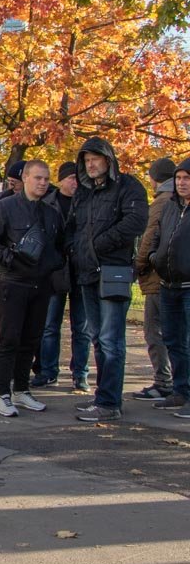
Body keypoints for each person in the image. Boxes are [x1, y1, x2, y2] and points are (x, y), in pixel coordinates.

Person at [69, 137, 148, 423]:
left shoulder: (128, 186)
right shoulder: (85, 192)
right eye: (86, 160)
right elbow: (75, 227)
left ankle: (109, 402)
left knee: (111, 339)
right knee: (96, 339)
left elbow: (137, 221)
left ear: (108, 159)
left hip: (113, 271)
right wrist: (77, 250)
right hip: (87, 272)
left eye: (95, 159)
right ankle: (103, 396)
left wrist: (99, 244)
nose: (90, 165)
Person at [0, 161, 66, 418]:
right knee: (9, 339)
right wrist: (10, 258)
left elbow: (59, 246)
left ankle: (22, 388)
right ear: (25, 178)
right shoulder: (5, 207)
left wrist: (52, 266)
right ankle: (2, 394)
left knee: (31, 338)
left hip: (41, 284)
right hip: (12, 283)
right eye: (38, 178)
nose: (43, 183)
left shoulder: (51, 213)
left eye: (46, 179)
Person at [35, 162, 91, 391]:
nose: (75, 182)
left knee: (82, 327)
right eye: (71, 178)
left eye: (78, 178)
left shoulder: (88, 202)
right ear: (61, 180)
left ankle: (80, 374)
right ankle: (48, 371)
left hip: (81, 271)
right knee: (50, 326)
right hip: (55, 271)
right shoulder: (47, 203)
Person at [146, 157, 190, 419]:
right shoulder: (171, 207)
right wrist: (153, 256)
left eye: (187, 178)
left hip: (188, 285)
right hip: (168, 284)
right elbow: (158, 236)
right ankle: (180, 391)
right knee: (173, 340)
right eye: (179, 178)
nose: (182, 183)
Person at [134, 157, 177, 400]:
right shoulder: (178, 201)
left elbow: (149, 239)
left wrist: (139, 265)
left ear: (154, 178)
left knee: (155, 331)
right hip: (174, 276)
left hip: (156, 277)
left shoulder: (161, 203)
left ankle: (163, 382)